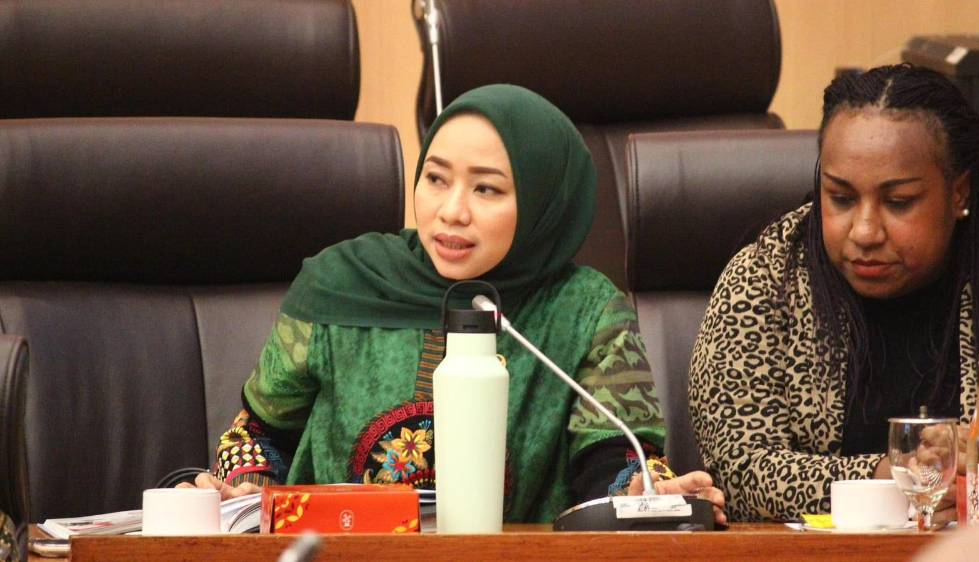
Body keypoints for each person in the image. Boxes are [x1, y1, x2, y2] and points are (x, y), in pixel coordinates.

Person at [180, 84, 725, 524]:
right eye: (436, 179)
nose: (451, 212)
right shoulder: (339, 284)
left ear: (543, 202)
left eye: (486, 189)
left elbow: (612, 461)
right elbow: (259, 435)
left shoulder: (585, 311)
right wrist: (242, 492)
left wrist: (645, 494)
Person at [688, 64, 979, 522]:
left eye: (898, 202)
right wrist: (895, 478)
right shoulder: (765, 278)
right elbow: (739, 472)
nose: (865, 231)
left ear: (959, 194)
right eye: (841, 198)